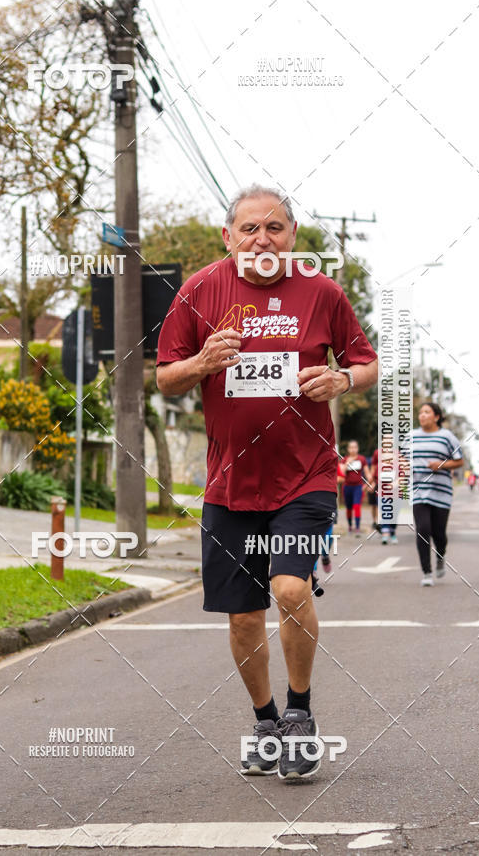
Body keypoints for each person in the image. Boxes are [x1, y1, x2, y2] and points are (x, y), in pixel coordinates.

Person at [156, 184, 378, 780]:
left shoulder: (322, 292)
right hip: (229, 485)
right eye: (250, 228)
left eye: (274, 228)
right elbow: (166, 377)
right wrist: (202, 363)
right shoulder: (200, 291)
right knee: (243, 615)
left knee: (287, 588)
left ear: (292, 237)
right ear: (228, 238)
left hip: (305, 477)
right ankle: (264, 719)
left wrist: (343, 382)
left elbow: (366, 361)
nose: (262, 238)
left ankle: (300, 713)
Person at [412, 402, 464, 587]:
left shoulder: (447, 437)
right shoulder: (411, 436)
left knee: (439, 533)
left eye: (426, 412)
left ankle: (441, 555)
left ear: (436, 416)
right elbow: (401, 458)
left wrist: (441, 464)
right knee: (423, 530)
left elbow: (459, 461)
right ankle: (427, 572)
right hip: (418, 491)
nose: (422, 415)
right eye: (420, 412)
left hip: (441, 492)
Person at [342, 440, 373, 537]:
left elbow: (367, 473)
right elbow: (341, 473)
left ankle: (358, 528)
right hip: (347, 487)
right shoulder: (344, 459)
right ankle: (350, 526)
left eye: (355, 447)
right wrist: (347, 463)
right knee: (349, 508)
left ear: (358, 448)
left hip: (358, 487)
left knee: (357, 506)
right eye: (351, 447)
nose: (353, 449)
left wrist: (368, 483)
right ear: (348, 449)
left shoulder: (362, 459)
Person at [371, 442, 398, 545]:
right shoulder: (379, 465)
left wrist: (396, 483)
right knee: (384, 511)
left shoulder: (397, 463)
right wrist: (372, 485)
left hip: (395, 494)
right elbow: (375, 478)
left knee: (394, 514)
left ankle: (392, 531)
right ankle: (385, 533)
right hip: (382, 493)